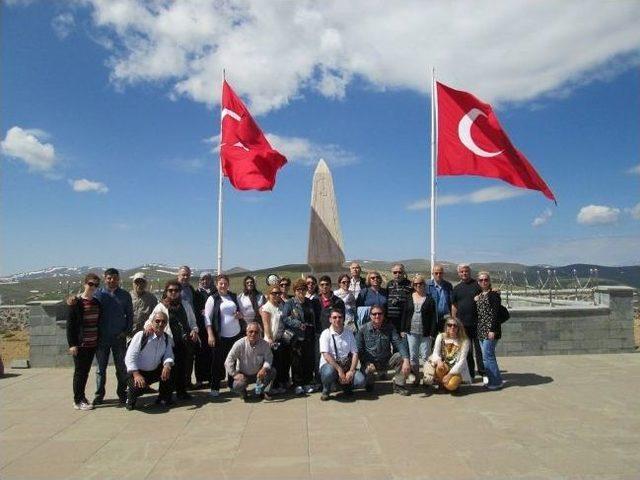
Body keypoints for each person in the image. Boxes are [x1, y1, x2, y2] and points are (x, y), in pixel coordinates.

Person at [145, 281, 199, 401]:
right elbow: (150, 321)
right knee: (168, 369)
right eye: (170, 290)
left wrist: (194, 330)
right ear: (166, 292)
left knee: (182, 369)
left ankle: (181, 392)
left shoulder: (185, 305)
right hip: (168, 343)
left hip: (184, 342)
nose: (173, 293)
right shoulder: (161, 306)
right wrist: (149, 326)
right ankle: (164, 396)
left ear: (180, 292)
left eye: (176, 290)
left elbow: (193, 322)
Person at [93, 268, 133, 406]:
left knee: (121, 367)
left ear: (118, 279)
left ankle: (122, 393)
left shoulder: (125, 295)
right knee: (100, 369)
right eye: (109, 278)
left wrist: (126, 331)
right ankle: (99, 395)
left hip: (119, 337)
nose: (112, 280)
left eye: (115, 278)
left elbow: (130, 315)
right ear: (105, 279)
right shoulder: (98, 294)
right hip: (102, 338)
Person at [357, 305, 411, 395]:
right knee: (368, 375)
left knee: (401, 357)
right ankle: (369, 383)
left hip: (386, 360)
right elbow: (359, 349)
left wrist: (406, 359)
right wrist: (366, 362)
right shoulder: (363, 329)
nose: (377, 316)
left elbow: (399, 343)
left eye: (380, 313)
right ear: (370, 316)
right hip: (370, 362)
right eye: (374, 314)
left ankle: (399, 385)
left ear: (383, 315)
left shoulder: (390, 328)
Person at [124, 311, 174, 410]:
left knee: (170, 370)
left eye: (163, 322)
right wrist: (136, 374)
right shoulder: (141, 335)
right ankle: (130, 398)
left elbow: (169, 355)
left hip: (153, 370)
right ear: (151, 322)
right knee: (137, 388)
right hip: (137, 372)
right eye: (157, 321)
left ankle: (163, 397)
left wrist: (167, 365)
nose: (160, 324)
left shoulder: (167, 338)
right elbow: (130, 357)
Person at [67, 273, 102, 410]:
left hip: (92, 343)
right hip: (81, 344)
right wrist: (72, 344)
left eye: (96, 285)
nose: (93, 287)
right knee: (80, 372)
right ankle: (78, 400)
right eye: (91, 284)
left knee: (85, 372)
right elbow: (71, 326)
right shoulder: (77, 303)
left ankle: (81, 397)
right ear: (85, 284)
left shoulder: (96, 302)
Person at [204, 274, 243, 398]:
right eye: (220, 283)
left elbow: (241, 312)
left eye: (225, 283)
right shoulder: (212, 298)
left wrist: (239, 315)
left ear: (228, 284)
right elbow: (207, 318)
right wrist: (210, 335)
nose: (223, 285)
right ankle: (215, 387)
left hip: (235, 334)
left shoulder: (233, 296)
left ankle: (231, 385)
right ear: (217, 284)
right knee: (218, 362)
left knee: (232, 361)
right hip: (220, 336)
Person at [318, 309, 365, 401]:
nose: (337, 319)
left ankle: (345, 386)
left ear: (343, 319)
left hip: (346, 366)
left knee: (361, 381)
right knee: (329, 372)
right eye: (334, 317)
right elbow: (326, 355)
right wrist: (339, 370)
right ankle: (326, 389)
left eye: (340, 317)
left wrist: (351, 371)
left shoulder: (349, 333)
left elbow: (355, 353)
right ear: (330, 319)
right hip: (331, 366)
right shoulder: (325, 334)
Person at [281, 279, 316, 395]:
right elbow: (285, 318)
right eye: (298, 289)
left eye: (303, 289)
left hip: (309, 336)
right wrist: (298, 324)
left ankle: (307, 382)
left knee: (308, 360)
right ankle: (297, 384)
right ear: (295, 291)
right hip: (297, 337)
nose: (301, 291)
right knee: (297, 362)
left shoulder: (309, 302)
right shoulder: (290, 303)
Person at [224, 322, 276, 401]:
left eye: (256, 332)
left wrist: (264, 368)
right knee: (237, 385)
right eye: (251, 331)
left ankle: (262, 391)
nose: (253, 334)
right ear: (246, 332)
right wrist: (234, 374)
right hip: (244, 374)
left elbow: (269, 358)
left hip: (258, 374)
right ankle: (243, 392)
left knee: (272, 371)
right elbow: (228, 360)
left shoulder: (264, 344)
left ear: (259, 333)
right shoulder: (239, 344)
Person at [451, 264, 485, 381]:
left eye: (466, 271)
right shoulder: (456, 288)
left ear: (469, 272)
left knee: (480, 350)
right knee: (468, 351)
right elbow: (454, 306)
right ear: (459, 273)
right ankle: (471, 374)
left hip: (478, 324)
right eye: (461, 272)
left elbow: (487, 291)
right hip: (463, 325)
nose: (464, 273)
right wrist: (454, 321)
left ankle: (483, 373)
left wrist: (495, 290)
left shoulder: (477, 284)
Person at [401, 274, 437, 383]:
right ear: (413, 285)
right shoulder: (409, 297)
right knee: (413, 356)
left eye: (420, 283)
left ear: (424, 284)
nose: (418, 286)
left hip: (425, 332)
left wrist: (432, 333)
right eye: (416, 284)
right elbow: (405, 314)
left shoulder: (430, 299)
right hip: (411, 332)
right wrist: (402, 329)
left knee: (426, 356)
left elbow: (433, 318)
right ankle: (416, 377)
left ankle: (427, 379)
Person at [424, 316, 472, 392]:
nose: (452, 327)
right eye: (449, 325)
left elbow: (462, 362)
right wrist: (439, 361)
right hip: (444, 365)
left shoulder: (464, 340)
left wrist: (450, 375)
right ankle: (441, 384)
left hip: (457, 369)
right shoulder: (441, 336)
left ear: (459, 328)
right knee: (440, 367)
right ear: (446, 326)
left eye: (455, 325)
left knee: (451, 385)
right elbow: (435, 353)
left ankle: (453, 384)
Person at [475, 272, 504, 390]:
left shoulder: (493, 295)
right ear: (478, 282)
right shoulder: (480, 295)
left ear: (489, 281)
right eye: (481, 280)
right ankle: (492, 380)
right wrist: (476, 299)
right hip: (481, 330)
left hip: (490, 330)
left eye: (485, 280)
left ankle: (496, 382)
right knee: (485, 357)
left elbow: (496, 314)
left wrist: (493, 330)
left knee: (489, 356)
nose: (483, 282)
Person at [260, 286, 289, 394]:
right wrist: (271, 339)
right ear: (269, 294)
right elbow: (266, 325)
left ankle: (278, 384)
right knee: (272, 364)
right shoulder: (266, 307)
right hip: (271, 341)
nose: (277, 295)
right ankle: (271, 387)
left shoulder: (281, 305)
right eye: (274, 293)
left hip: (281, 339)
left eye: (278, 293)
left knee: (279, 363)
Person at [176, 266, 198, 388]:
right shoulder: (173, 289)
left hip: (190, 326)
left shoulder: (190, 289)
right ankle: (177, 384)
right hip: (176, 328)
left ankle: (187, 382)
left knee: (189, 357)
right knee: (178, 358)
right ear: (178, 276)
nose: (185, 277)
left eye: (187, 275)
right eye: (183, 275)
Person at [193, 272, 215, 389]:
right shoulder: (196, 293)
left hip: (212, 327)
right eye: (202, 279)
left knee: (212, 353)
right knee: (200, 353)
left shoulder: (215, 292)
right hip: (200, 326)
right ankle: (200, 379)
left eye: (207, 279)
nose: (205, 281)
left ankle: (212, 378)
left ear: (211, 280)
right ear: (200, 281)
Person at [426, 264, 453, 332]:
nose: (438, 275)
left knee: (445, 339)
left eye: (440, 273)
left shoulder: (448, 285)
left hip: (446, 317)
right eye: (436, 273)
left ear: (443, 274)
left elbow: (451, 300)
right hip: (432, 318)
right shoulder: (427, 285)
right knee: (433, 339)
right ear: (432, 274)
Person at [386, 263, 412, 333]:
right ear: (392, 273)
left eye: (400, 272)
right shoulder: (389, 284)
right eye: (395, 272)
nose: (397, 274)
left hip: (404, 320)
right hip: (390, 320)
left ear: (404, 273)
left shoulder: (409, 285)